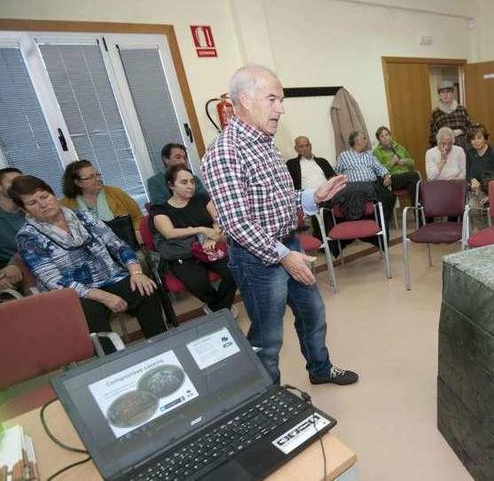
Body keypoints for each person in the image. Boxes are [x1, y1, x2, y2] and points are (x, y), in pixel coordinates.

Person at [201, 64, 356, 386]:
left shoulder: (265, 143)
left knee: (313, 314)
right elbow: (235, 221)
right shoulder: (224, 152)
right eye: (272, 99)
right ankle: (267, 399)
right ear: (244, 99)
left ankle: (320, 369)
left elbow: (279, 198)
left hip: (289, 245)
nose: (281, 109)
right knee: (268, 338)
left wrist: (314, 195)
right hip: (257, 259)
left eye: (281, 100)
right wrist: (283, 255)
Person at [12, 175, 167, 354]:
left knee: (145, 288)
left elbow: (118, 245)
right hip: (74, 291)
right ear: (25, 210)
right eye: (32, 203)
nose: (42, 204)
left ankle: (160, 348)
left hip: (110, 276)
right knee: (90, 312)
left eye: (44, 197)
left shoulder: (83, 216)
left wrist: (136, 271)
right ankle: (112, 363)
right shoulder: (28, 237)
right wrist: (103, 296)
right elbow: (53, 281)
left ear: (53, 195)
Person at [151, 164, 237, 313]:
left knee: (234, 270)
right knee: (197, 283)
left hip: (210, 248)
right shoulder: (160, 209)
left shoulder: (202, 198)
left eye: (192, 181)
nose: (190, 186)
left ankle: (218, 309)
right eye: (184, 182)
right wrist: (202, 229)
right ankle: (219, 306)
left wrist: (213, 238)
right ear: (171, 185)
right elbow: (169, 233)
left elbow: (219, 220)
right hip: (184, 253)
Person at [60, 160, 144, 242]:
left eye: (98, 175)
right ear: (78, 183)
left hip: (125, 244)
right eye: (91, 177)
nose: (98, 179)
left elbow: (138, 217)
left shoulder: (116, 193)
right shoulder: (65, 205)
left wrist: (136, 231)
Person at [335, 131, 397, 228]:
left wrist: (386, 175)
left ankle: (382, 223)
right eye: (364, 138)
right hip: (356, 187)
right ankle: (371, 225)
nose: (366, 141)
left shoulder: (369, 155)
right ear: (357, 141)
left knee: (390, 196)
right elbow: (337, 173)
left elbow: (380, 168)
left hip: (373, 184)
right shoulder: (344, 156)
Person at [465, 124, 494, 229]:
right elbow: (468, 174)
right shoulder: (470, 153)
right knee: (472, 208)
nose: (476, 141)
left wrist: (491, 196)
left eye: (479, 138)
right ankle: (482, 233)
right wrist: (472, 180)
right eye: (473, 139)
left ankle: (493, 233)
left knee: (493, 213)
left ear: (485, 138)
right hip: (479, 192)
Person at [373, 126, 420, 204]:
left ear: (390, 136)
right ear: (379, 140)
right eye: (382, 136)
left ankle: (418, 210)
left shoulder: (399, 147)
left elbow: (412, 162)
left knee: (415, 185)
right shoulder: (377, 152)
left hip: (405, 177)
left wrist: (405, 161)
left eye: (386, 135)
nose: (385, 138)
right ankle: (419, 210)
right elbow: (378, 171)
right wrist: (391, 163)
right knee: (414, 176)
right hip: (391, 178)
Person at [0, 168, 25, 291]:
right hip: (6, 274)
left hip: (34, 266)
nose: (18, 186)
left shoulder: (33, 211)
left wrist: (15, 263)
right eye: (12, 182)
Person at [429, 80, 473, 149]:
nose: (445, 95)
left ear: (452, 94)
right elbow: (432, 137)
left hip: (463, 147)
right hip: (445, 150)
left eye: (448, 92)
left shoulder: (461, 109)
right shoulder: (436, 113)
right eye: (442, 92)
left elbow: (471, 128)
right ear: (439, 95)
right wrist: (443, 136)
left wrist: (461, 131)